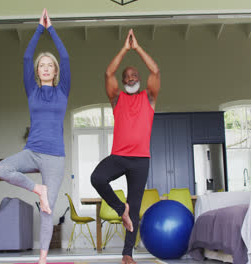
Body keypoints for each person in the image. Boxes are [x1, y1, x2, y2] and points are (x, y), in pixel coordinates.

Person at [0, 8, 70, 264]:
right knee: (3, 168)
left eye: (50, 65)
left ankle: (42, 259)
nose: (46, 68)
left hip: (55, 157)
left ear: (55, 70)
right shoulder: (32, 91)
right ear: (37, 72)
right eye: (42, 66)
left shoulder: (63, 90)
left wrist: (52, 29)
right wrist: (39, 28)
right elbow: (27, 57)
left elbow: (66, 56)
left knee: (48, 209)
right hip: (32, 151)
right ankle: (37, 188)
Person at [90, 29, 160, 264]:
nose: (130, 78)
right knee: (97, 178)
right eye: (126, 77)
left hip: (141, 159)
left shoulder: (149, 98)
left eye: (133, 76)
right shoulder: (116, 98)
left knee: (136, 204)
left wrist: (137, 48)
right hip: (119, 156)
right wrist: (124, 48)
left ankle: (127, 254)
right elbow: (108, 72)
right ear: (122, 82)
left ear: (139, 79)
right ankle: (122, 211)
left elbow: (155, 70)